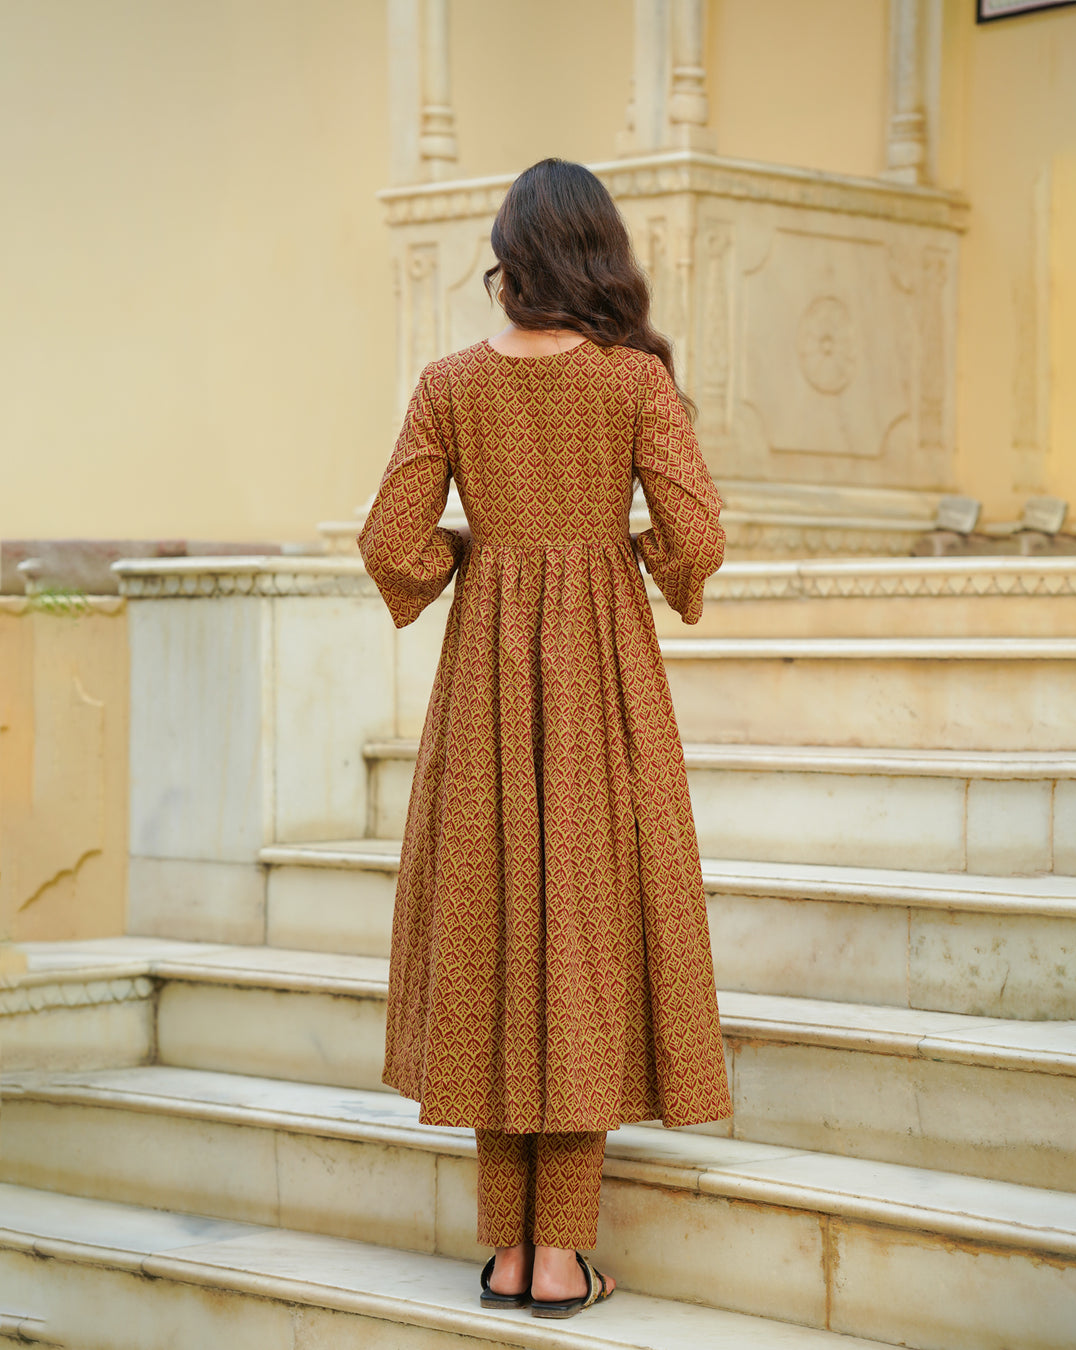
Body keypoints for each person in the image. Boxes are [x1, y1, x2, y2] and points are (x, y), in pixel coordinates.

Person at [357, 156, 732, 1321]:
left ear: (513, 260)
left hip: (482, 688)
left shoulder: (449, 383)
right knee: (583, 936)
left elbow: (389, 542)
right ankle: (562, 1253)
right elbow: (698, 534)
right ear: (600, 257)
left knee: (490, 931)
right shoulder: (633, 382)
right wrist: (639, 567)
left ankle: (509, 1250)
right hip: (605, 689)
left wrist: (472, 561)